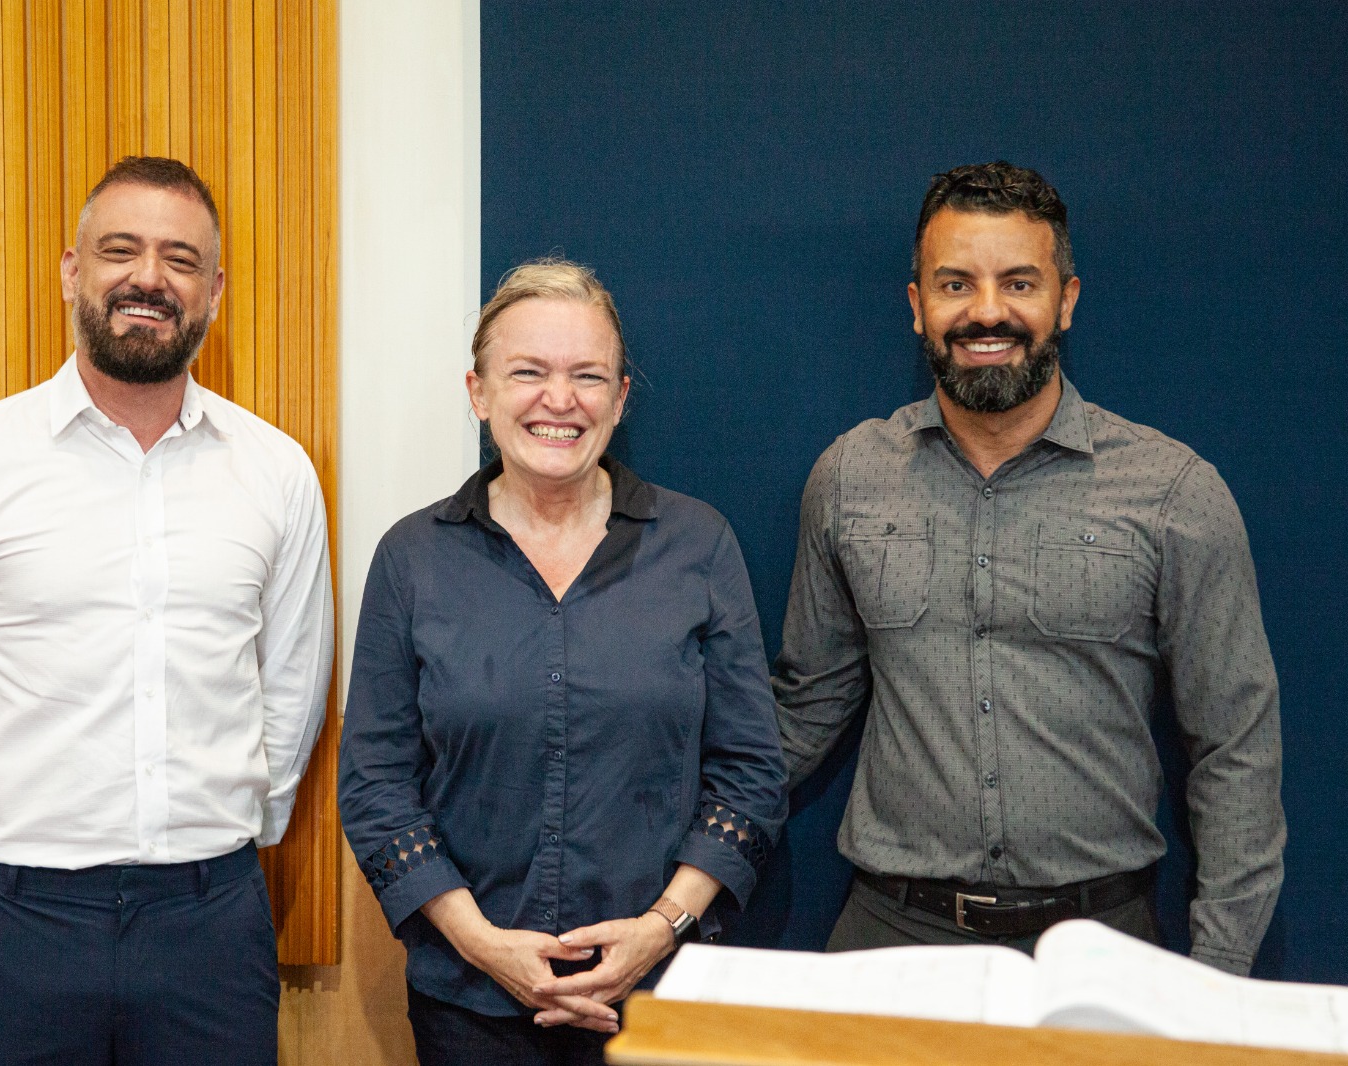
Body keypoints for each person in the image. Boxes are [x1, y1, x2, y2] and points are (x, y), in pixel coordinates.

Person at [0, 156, 334, 1065]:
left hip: (215, 925)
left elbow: (293, 691)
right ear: (72, 271)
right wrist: (2, 851)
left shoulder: (277, 475)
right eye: (120, 250)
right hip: (20, 929)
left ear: (215, 291)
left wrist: (230, 837)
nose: (148, 278)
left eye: (180, 259)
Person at [774, 161, 1284, 975]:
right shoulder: (847, 477)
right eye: (954, 284)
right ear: (917, 307)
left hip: (1102, 947)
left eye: (1018, 283)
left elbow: (1236, 747)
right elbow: (805, 708)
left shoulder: (1174, 491)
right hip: (889, 942)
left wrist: (1218, 976)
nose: (986, 312)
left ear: (1065, 301)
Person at [339, 259, 787, 1064]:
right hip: (466, 1007)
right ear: (478, 393)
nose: (559, 399)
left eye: (588, 376)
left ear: (618, 399)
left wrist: (659, 931)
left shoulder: (699, 546)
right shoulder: (412, 559)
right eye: (528, 372)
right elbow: (375, 787)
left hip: (661, 1002)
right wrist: (483, 946)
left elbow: (751, 775)